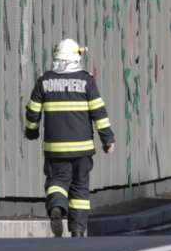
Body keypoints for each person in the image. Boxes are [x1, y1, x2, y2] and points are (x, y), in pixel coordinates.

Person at [23, 38, 115, 237]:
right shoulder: (86, 81)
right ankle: (78, 229)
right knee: (80, 189)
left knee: (57, 181)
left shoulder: (44, 81)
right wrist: (107, 139)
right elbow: (99, 113)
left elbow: (33, 112)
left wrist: (31, 131)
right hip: (82, 148)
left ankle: (56, 206)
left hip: (55, 148)